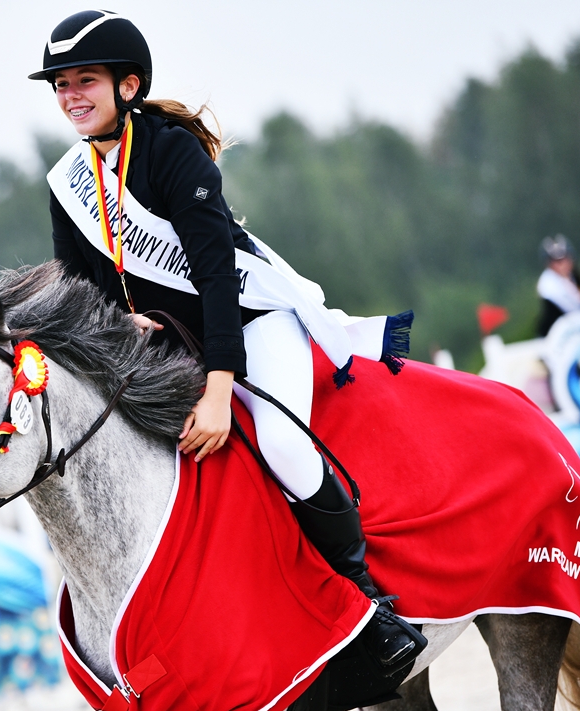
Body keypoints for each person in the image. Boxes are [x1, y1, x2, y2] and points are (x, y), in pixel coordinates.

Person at [29, 10, 426, 675]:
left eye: (84, 80)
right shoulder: (68, 182)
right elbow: (80, 290)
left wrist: (219, 393)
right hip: (166, 346)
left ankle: (369, 608)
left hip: (247, 322)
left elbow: (215, 276)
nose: (71, 96)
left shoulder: (171, 153)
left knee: (281, 444)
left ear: (128, 85)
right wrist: (118, 321)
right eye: (61, 85)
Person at [536, 235, 580, 337]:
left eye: (565, 259)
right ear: (549, 264)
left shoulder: (576, 277)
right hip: (562, 334)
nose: (563, 264)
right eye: (557, 261)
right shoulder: (547, 286)